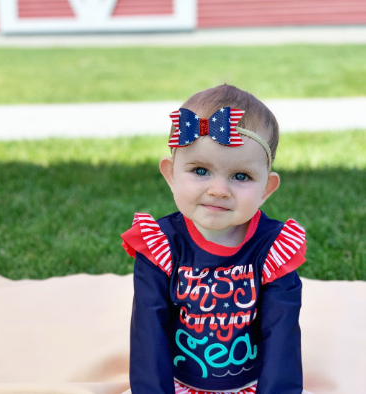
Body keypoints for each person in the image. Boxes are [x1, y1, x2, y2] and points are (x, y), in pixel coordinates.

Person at [121, 84, 308, 394]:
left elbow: (282, 333)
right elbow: (148, 331)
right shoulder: (160, 245)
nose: (219, 190)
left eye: (240, 176)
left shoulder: (274, 248)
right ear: (171, 175)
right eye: (200, 170)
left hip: (253, 383)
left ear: (266, 189)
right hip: (177, 382)